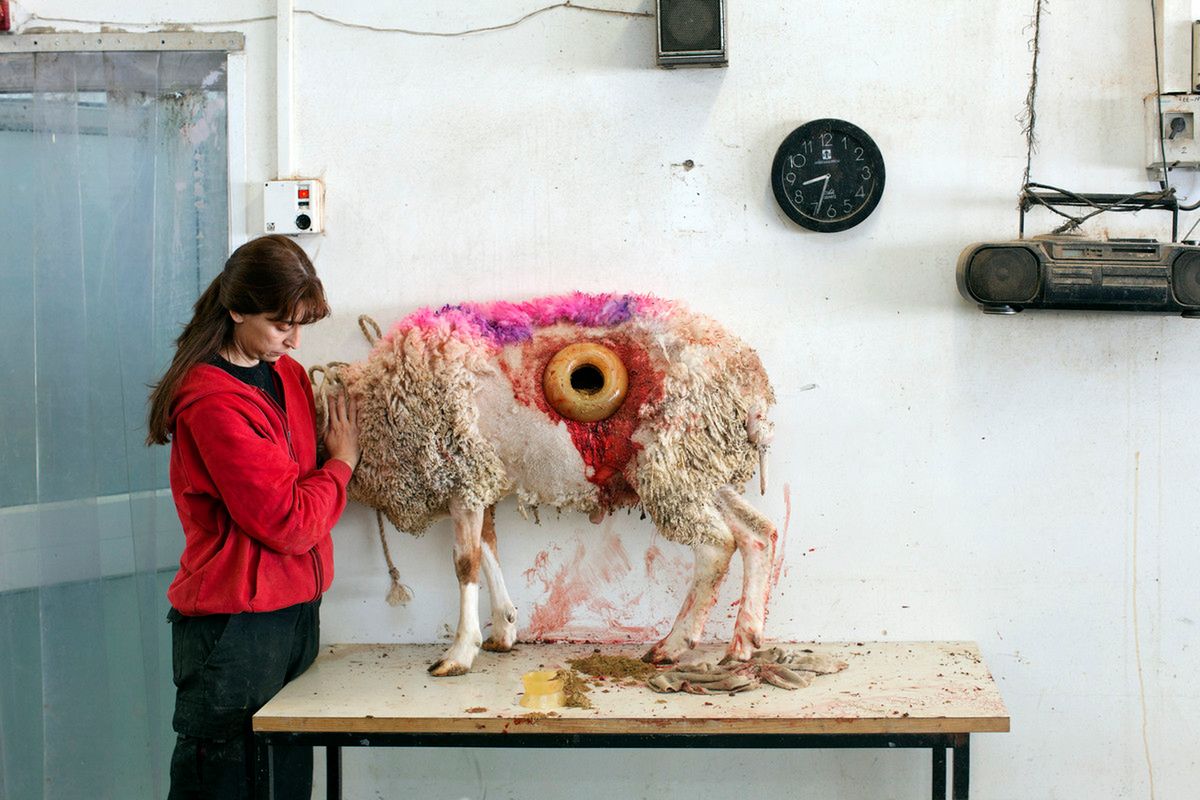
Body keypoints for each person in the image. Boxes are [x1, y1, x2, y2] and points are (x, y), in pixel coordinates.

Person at [146, 234, 360, 799]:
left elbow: (295, 493)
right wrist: (341, 464)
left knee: (285, 789)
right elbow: (288, 521)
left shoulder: (285, 375)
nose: (291, 340)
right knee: (223, 788)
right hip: (233, 630)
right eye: (278, 323)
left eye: (299, 325)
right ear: (236, 308)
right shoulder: (213, 403)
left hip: (293, 618)